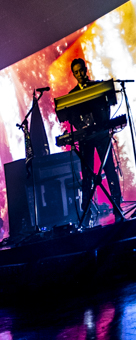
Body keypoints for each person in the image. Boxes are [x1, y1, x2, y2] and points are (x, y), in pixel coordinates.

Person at [68, 58, 125, 220]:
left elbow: (108, 104)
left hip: (101, 135)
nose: (80, 74)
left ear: (86, 70)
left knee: (109, 170)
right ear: (74, 74)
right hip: (85, 139)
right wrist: (81, 126)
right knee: (87, 175)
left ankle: (117, 207)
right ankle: (86, 213)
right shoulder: (72, 95)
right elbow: (71, 117)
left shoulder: (97, 87)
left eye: (81, 70)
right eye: (76, 72)